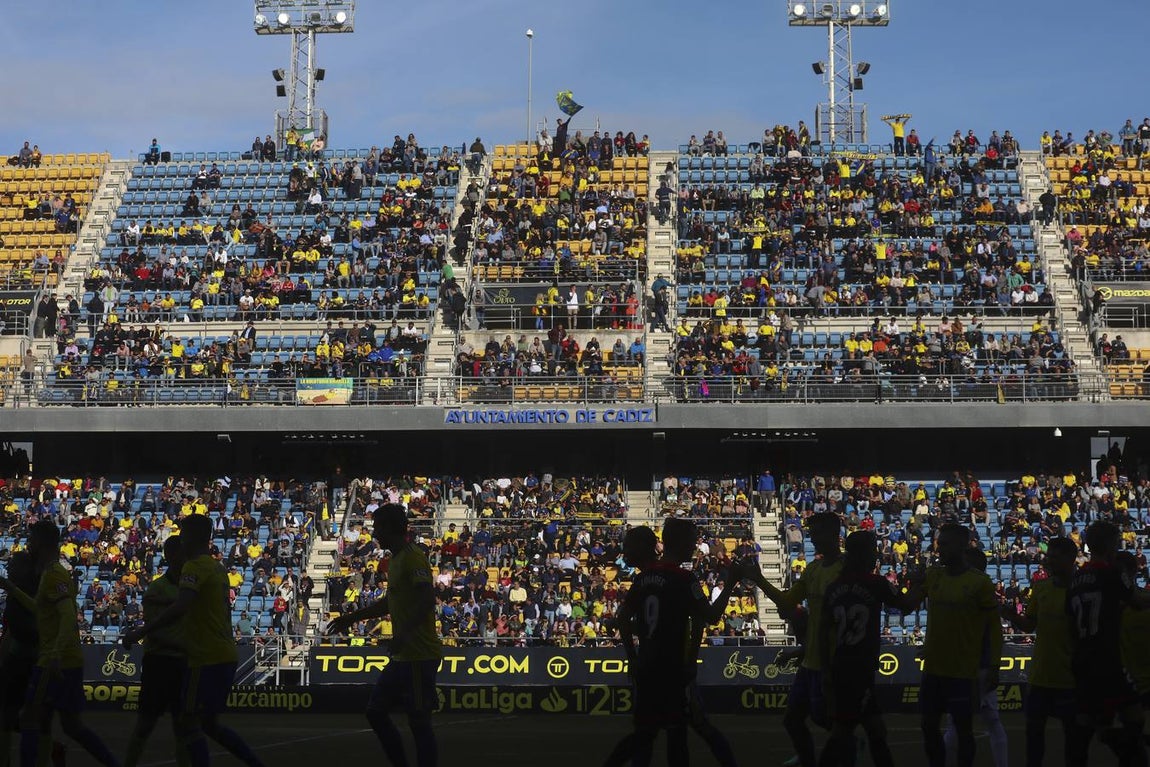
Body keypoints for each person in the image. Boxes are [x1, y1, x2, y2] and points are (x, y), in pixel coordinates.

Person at [123, 515, 264, 767]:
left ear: (190, 538)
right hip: (222, 653)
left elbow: (181, 606)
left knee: (189, 723)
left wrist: (140, 632)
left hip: (203, 656)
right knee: (206, 724)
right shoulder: (218, 568)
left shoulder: (194, 567)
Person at [602, 523, 739, 767]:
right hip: (673, 669)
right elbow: (709, 617)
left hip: (646, 667)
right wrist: (730, 583)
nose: (695, 547)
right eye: (692, 541)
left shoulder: (643, 579)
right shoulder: (684, 578)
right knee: (681, 733)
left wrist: (633, 659)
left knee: (644, 733)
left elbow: (625, 620)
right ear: (682, 542)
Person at [324, 504, 441, 767]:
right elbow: (389, 603)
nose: (375, 532)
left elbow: (426, 599)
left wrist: (404, 634)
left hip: (418, 655)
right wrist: (350, 618)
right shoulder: (397, 559)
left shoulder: (412, 557)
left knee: (419, 721)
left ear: (390, 528)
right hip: (404, 656)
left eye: (378, 526)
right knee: (376, 712)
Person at [0, 520, 120, 767]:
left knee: (29, 717)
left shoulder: (54, 573)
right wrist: (11, 588)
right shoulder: (51, 572)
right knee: (70, 725)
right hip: (66, 658)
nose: (28, 544)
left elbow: (67, 614)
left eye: (32, 540)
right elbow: (38, 608)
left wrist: (54, 652)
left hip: (55, 659)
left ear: (41, 543)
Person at [743, 512, 843, 767]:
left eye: (817, 532)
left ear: (834, 534)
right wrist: (759, 580)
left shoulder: (846, 571)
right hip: (810, 663)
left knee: (827, 719)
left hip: (832, 663)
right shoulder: (813, 570)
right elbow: (787, 602)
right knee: (793, 719)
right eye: (812, 533)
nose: (813, 538)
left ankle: (849, 745)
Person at [817, 530, 920, 767]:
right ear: (865, 554)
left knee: (873, 729)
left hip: (841, 664)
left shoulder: (834, 587)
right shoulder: (875, 583)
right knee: (847, 730)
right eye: (873, 550)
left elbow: (823, 633)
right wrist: (921, 585)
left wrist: (825, 670)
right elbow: (905, 606)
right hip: (859, 667)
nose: (876, 554)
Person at [912, 523, 1001, 767]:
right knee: (928, 727)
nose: (939, 549)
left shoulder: (980, 583)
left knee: (963, 730)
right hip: (933, 669)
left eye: (945, 544)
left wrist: (994, 665)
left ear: (962, 546)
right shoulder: (933, 576)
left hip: (963, 671)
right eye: (939, 544)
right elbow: (907, 605)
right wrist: (910, 582)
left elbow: (994, 628)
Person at [1065, 521, 1150, 767]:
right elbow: (1134, 600)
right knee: (1134, 716)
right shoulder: (1113, 572)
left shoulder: (1077, 577)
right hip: (1109, 658)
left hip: (1082, 658)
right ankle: (1122, 746)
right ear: (1112, 544)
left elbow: (1071, 622)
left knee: (1085, 721)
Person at [1000, 536, 1077, 767]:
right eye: (1049, 556)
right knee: (1033, 737)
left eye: (1055, 557)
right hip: (1040, 675)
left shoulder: (1081, 589)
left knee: (1074, 740)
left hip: (1071, 678)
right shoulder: (1041, 588)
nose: (1049, 561)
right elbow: (1029, 625)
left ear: (1071, 559)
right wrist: (1011, 615)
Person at [123, 537, 189, 767]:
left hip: (182, 663)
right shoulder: (157, 587)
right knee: (146, 723)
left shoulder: (187, 586)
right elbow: (154, 631)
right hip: (160, 662)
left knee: (183, 727)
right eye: (182, 553)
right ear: (171, 556)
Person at [0, 544, 65, 767]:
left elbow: (30, 627)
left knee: (18, 716)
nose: (8, 568)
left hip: (29, 660)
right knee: (18, 716)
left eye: (12, 565)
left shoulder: (29, 591)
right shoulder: (17, 591)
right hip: (20, 658)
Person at [942, 548, 1008, 767]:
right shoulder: (986, 591)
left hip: (966, 666)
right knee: (992, 721)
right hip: (981, 665)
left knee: (956, 722)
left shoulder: (971, 590)